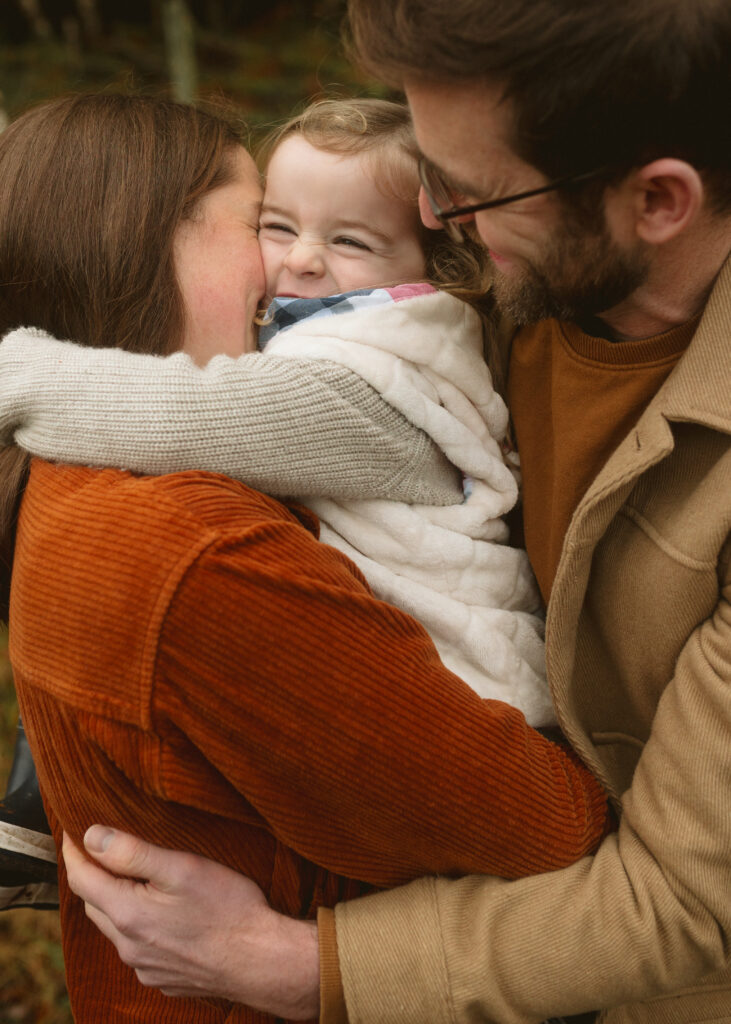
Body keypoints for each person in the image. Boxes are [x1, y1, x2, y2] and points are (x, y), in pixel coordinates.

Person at [57, 1, 731, 1022]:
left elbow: (685, 900)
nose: (436, 224)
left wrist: (292, 963)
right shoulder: (501, 292)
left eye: (469, 192)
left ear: (657, 201)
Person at [0, 92, 610, 1023]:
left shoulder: (80, 471)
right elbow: (550, 831)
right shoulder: (193, 548)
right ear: (136, 240)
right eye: (262, 223)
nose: (292, 266)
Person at [0, 97, 551, 722]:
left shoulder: (377, 384)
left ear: (432, 268)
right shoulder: (320, 338)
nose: (302, 259)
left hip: (480, 691)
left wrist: (15, 372)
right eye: (275, 226)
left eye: (351, 240)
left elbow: (193, 413)